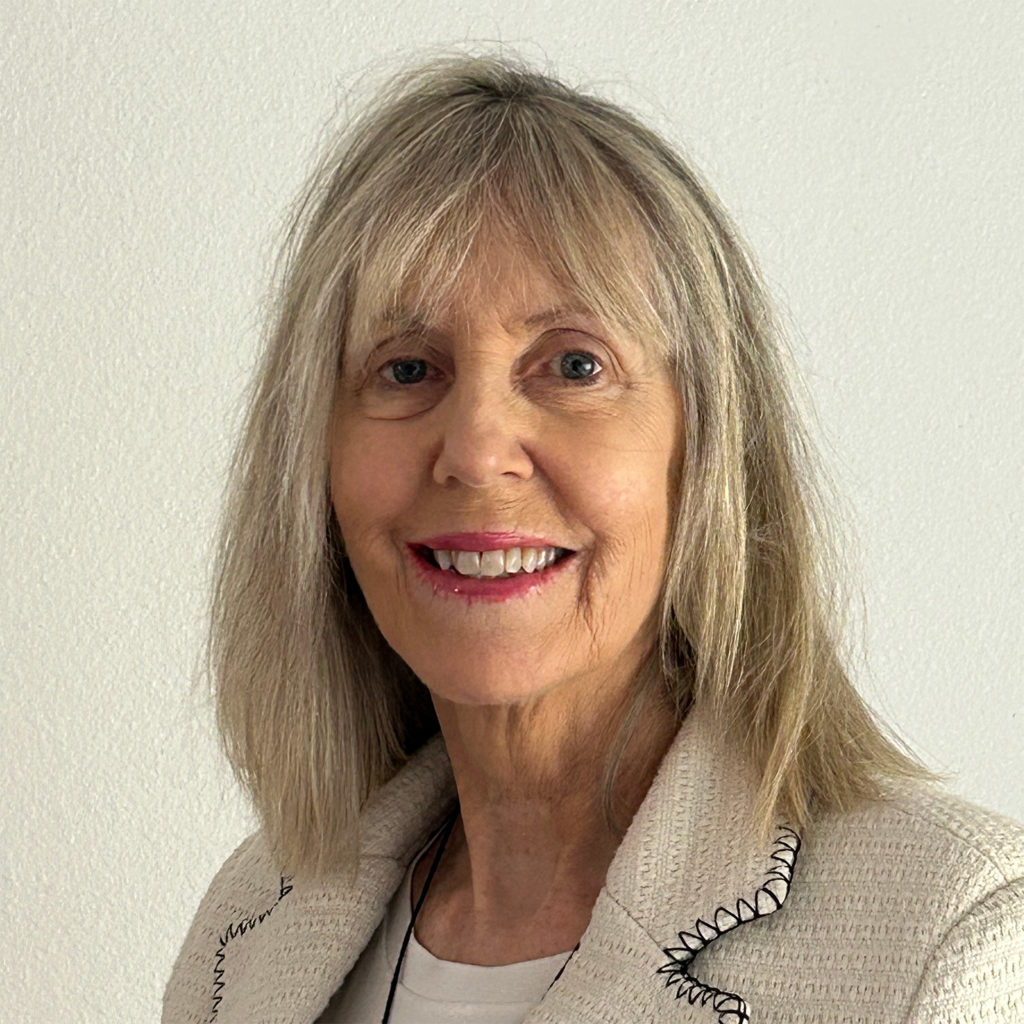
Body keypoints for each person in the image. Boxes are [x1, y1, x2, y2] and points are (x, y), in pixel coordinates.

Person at [163, 55, 1024, 1024]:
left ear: (704, 452)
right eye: (406, 368)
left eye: (573, 364)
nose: (478, 449)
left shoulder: (948, 935)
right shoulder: (252, 925)